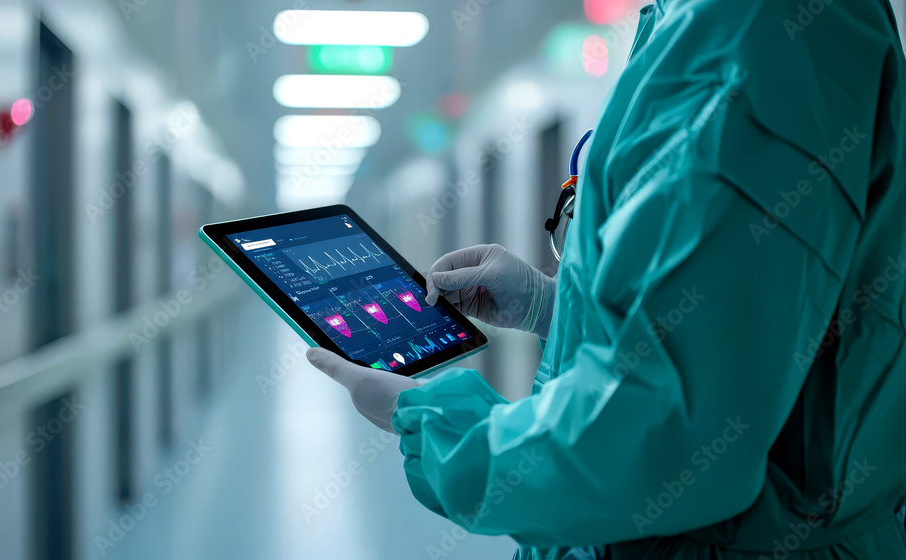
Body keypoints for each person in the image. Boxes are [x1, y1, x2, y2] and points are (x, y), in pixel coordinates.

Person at [306, 0, 906, 557]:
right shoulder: (693, 24)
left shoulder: (747, 32)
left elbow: (660, 447)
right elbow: (734, 321)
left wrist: (428, 418)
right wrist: (551, 306)